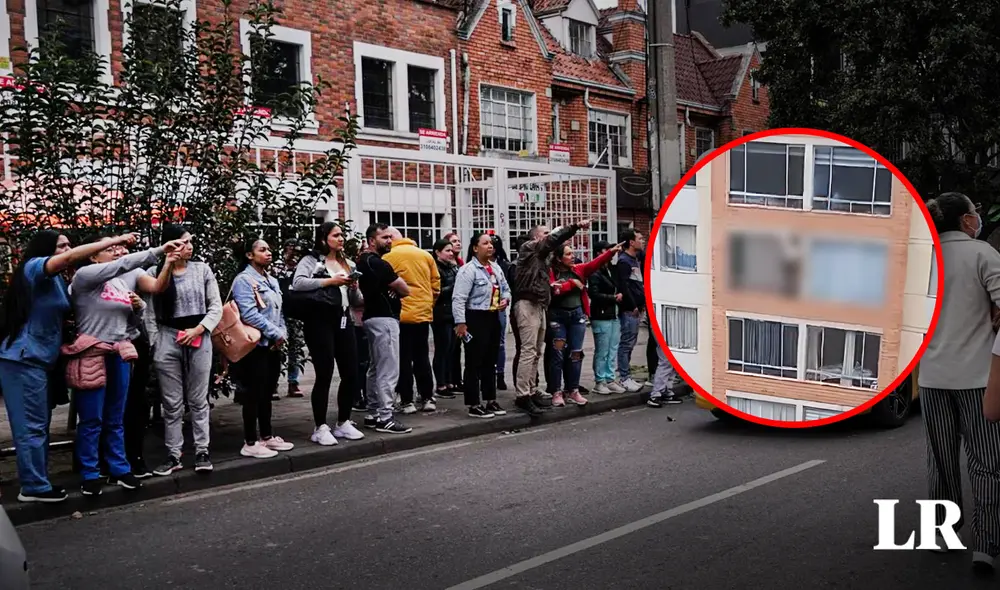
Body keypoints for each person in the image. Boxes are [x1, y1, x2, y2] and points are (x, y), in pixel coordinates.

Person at [0, 231, 137, 503]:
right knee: (31, 426)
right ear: (45, 250)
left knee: (39, 424)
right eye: (61, 246)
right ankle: (33, 487)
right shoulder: (33, 268)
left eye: (68, 244)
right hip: (23, 358)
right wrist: (112, 241)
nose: (68, 249)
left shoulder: (58, 282)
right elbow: (72, 258)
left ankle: (37, 481)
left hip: (42, 359)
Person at [918, 192, 1000, 573]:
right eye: (975, 213)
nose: (977, 219)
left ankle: (944, 533)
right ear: (966, 221)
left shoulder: (923, 258)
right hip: (977, 379)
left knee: (941, 460)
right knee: (986, 464)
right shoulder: (983, 254)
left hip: (932, 378)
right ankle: (985, 545)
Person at [68, 234, 185, 496]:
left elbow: (130, 325)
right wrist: (157, 251)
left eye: (117, 247)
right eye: (109, 248)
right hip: (91, 354)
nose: (116, 251)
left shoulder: (121, 285)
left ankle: (119, 469)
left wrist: (139, 308)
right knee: (91, 418)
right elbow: (120, 266)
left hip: (119, 353)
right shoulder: (85, 276)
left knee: (115, 416)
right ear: (93, 254)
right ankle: (90, 473)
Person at [147, 224, 223, 476]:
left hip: (198, 334)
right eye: (182, 242)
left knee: (198, 398)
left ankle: (202, 450)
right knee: (171, 402)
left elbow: (216, 306)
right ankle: (173, 453)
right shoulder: (154, 271)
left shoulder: (202, 270)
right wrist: (155, 341)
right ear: (169, 245)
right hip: (168, 335)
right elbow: (148, 311)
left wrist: (199, 329)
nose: (188, 247)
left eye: (190, 242)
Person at [291, 222, 366, 446]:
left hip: (344, 318)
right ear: (324, 239)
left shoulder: (348, 263)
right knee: (324, 373)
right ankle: (320, 426)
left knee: (351, 372)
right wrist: (330, 281)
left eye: (342, 235)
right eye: (336, 235)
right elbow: (298, 283)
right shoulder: (311, 260)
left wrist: (353, 288)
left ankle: (343, 421)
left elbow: (357, 301)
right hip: (320, 319)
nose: (341, 239)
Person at [510, 220, 588, 415]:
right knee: (528, 351)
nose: (549, 236)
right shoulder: (530, 247)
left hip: (539, 304)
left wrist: (549, 288)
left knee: (536, 351)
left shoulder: (542, 256)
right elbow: (553, 240)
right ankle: (523, 395)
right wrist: (574, 226)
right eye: (545, 233)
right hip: (527, 304)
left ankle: (532, 389)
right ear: (536, 237)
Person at [231, 238, 295, 459]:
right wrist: (275, 333)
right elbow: (248, 314)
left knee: (268, 390)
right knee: (253, 392)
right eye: (262, 249)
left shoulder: (272, 281)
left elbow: (279, 311)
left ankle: (267, 436)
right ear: (249, 255)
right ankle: (250, 441)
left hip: (272, 345)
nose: (268, 252)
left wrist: (282, 332)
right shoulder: (244, 280)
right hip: (254, 344)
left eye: (269, 249)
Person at [546, 241, 620, 407]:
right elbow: (554, 291)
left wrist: (610, 253)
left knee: (576, 354)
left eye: (572, 253)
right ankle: (556, 391)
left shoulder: (579, 269)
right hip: (557, 318)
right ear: (558, 258)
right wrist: (572, 284)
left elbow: (595, 263)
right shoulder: (551, 272)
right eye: (568, 254)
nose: (573, 257)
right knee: (558, 354)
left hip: (577, 317)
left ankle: (573, 390)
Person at [358, 223, 412, 434]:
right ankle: (385, 417)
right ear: (372, 241)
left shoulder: (362, 262)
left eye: (390, 237)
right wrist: (394, 289)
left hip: (370, 318)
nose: (390, 241)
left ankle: (372, 413)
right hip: (385, 319)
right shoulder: (379, 264)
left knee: (375, 368)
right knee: (388, 369)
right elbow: (404, 289)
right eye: (385, 238)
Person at [453, 232, 511, 418]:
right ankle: (473, 403)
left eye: (491, 243)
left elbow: (506, 289)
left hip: (493, 316)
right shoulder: (468, 270)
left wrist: (505, 300)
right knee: (473, 362)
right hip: (475, 317)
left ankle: (490, 400)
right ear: (475, 247)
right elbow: (459, 298)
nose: (490, 246)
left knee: (490, 360)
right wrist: (460, 323)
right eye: (485, 243)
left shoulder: (495, 268)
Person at [384, 228, 441, 413]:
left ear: (392, 238)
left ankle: (407, 401)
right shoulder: (425, 256)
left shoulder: (388, 257)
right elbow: (436, 285)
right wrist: (428, 303)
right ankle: (427, 398)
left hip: (400, 315)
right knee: (422, 357)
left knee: (403, 359)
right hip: (422, 313)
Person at [587, 241, 626, 395]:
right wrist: (613, 298)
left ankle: (610, 379)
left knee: (612, 349)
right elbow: (594, 294)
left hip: (613, 314)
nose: (612, 252)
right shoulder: (595, 271)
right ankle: (599, 381)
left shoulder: (609, 269)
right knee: (602, 351)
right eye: (607, 249)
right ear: (599, 253)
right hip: (602, 315)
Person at [616, 228, 646, 393]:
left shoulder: (636, 259)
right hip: (630, 310)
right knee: (626, 343)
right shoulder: (624, 262)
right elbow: (624, 286)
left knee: (631, 342)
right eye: (639, 239)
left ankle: (626, 375)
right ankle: (624, 377)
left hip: (638, 307)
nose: (642, 241)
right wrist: (632, 305)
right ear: (631, 242)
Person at [431, 238, 460, 399]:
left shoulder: (452, 267)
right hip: (441, 313)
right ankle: (441, 383)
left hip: (453, 312)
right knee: (442, 348)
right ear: (437, 252)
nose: (451, 253)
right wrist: (455, 286)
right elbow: (437, 291)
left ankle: (450, 381)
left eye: (451, 250)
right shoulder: (436, 268)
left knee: (452, 348)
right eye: (447, 251)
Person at [490, 234, 512, 391]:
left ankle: (500, 375)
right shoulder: (471, 267)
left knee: (500, 343)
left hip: (499, 308)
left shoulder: (503, 265)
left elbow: (506, 287)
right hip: (482, 309)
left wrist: (506, 298)